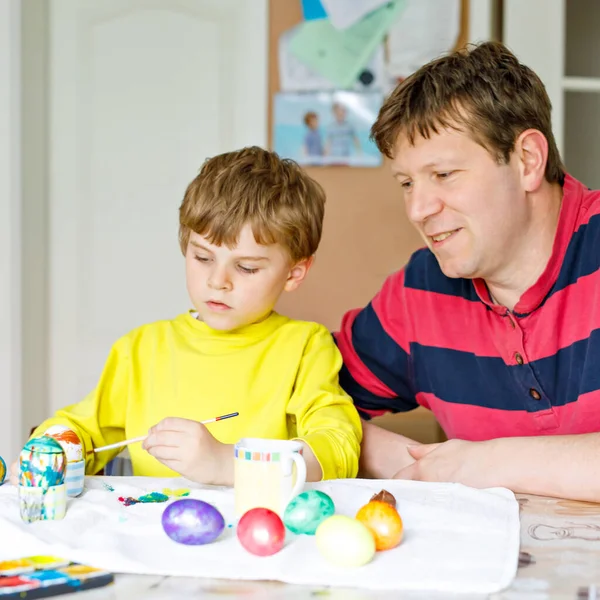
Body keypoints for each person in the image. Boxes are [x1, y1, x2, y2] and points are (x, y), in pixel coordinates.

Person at [335, 41, 600, 502]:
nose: (418, 209)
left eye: (444, 174)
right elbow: (300, 398)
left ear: (527, 161)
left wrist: (484, 464)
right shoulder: (418, 292)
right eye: (406, 183)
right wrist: (412, 464)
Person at [10, 147, 362, 486]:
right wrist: (49, 449)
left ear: (293, 273)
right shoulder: (141, 349)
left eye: (246, 267)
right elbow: (82, 430)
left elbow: (338, 447)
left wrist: (230, 464)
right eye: (203, 258)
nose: (217, 281)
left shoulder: (304, 347)